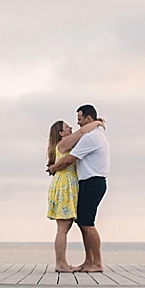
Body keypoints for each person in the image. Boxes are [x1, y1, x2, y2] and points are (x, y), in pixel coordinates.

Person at [46, 105, 109, 272]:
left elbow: (70, 159)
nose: (76, 125)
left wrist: (53, 168)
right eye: (68, 126)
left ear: (88, 118)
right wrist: (96, 123)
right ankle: (86, 262)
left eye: (80, 120)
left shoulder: (90, 137)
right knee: (79, 224)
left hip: (90, 182)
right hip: (73, 185)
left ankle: (95, 262)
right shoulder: (76, 139)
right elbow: (79, 136)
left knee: (86, 223)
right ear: (60, 133)